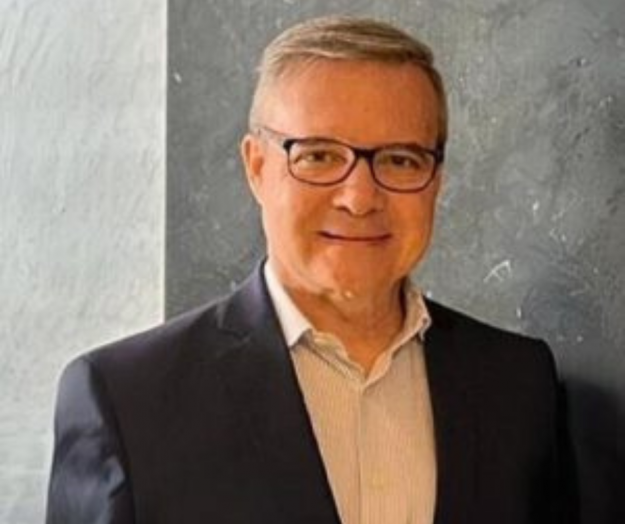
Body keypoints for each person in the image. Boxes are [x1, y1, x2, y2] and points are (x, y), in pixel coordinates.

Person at [46, 15, 577, 524]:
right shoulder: (130, 401)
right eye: (319, 156)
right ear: (257, 167)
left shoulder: (516, 386)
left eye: (400, 159)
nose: (359, 197)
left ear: (436, 180)